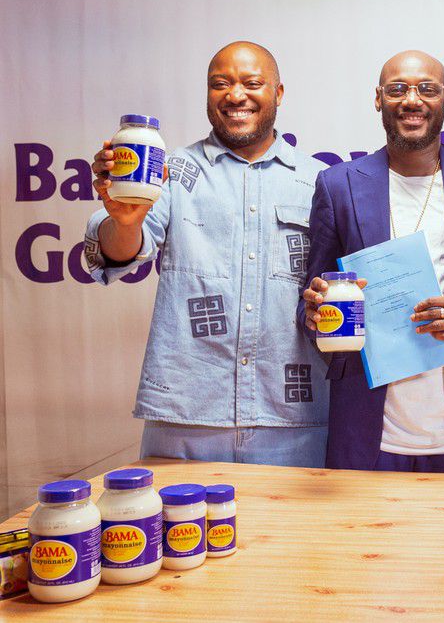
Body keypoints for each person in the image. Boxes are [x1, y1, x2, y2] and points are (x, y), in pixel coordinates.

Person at [85, 41, 328, 466]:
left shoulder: (320, 181)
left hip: (294, 419)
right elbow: (119, 255)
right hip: (186, 415)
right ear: (207, 92)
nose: (236, 95)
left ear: (279, 92)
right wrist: (124, 220)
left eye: (252, 83)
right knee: (176, 534)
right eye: (221, 84)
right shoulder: (171, 172)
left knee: (294, 535)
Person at [300, 50, 444, 474]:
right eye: (397, 89)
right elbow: (311, 299)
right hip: (368, 431)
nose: (412, 100)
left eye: (427, 89)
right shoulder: (337, 186)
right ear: (378, 99)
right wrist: (314, 310)